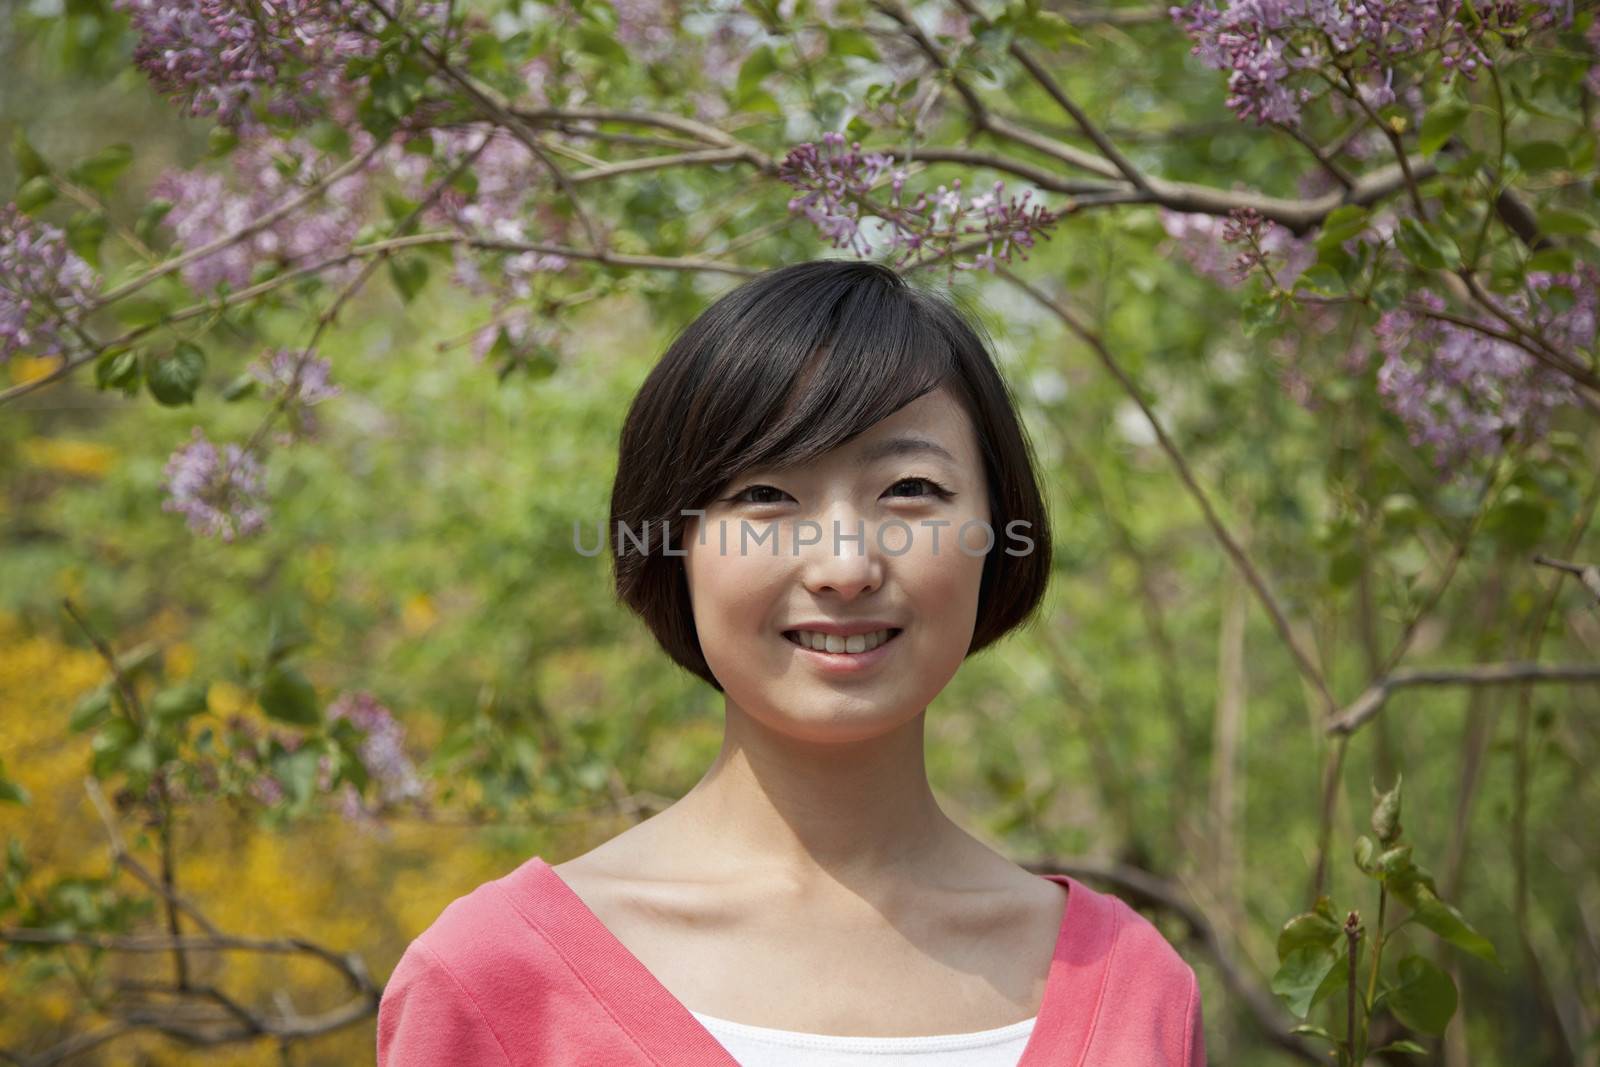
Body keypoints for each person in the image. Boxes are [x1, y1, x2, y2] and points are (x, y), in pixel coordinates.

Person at [376, 259, 1206, 1066]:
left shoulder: (1135, 990)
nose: (844, 564)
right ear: (674, 543)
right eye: (765, 495)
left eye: (910, 488)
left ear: (998, 531)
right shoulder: (494, 984)